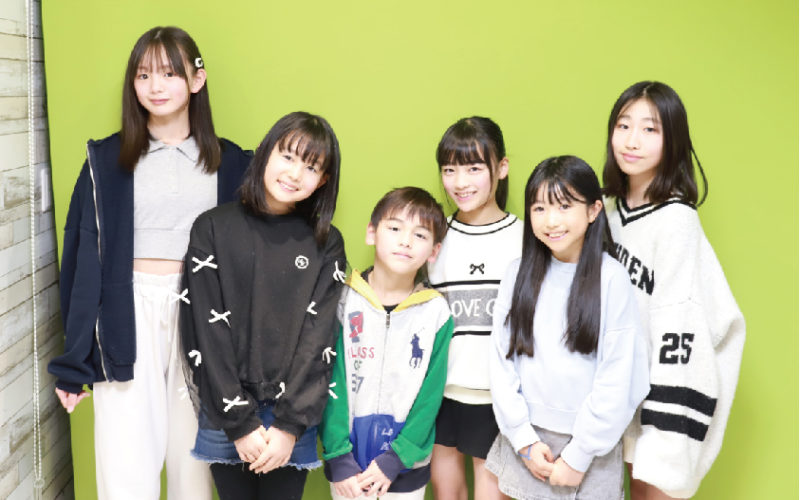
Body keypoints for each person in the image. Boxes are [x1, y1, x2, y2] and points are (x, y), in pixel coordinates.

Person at [47, 26, 251, 500]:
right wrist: (74, 362)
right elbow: (81, 261)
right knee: (125, 469)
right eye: (143, 75)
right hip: (127, 315)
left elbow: (255, 260)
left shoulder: (234, 164)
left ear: (197, 79)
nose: (155, 86)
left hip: (203, 317)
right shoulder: (105, 160)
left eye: (168, 74)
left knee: (194, 467)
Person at [180, 111, 346, 500]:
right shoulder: (211, 228)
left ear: (323, 180)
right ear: (264, 152)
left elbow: (319, 339)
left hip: (293, 414)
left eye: (311, 167)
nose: (295, 173)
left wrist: (288, 427)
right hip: (226, 407)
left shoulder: (326, 243)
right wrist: (239, 422)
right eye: (287, 156)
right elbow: (204, 329)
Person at [602, 81, 746, 499]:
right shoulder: (605, 210)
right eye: (623, 125)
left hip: (660, 395)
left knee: (656, 488)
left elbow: (681, 323)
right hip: (618, 392)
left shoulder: (677, 219)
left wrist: (666, 430)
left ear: (673, 141)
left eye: (650, 129)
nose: (632, 140)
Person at [486, 156, 650, 500]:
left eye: (564, 206)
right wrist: (524, 440)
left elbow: (621, 377)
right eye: (539, 208)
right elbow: (501, 364)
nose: (551, 220)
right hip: (527, 443)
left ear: (593, 211)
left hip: (591, 448)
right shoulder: (517, 274)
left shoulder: (611, 278)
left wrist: (579, 455)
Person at [320, 187, 454, 499]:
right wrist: (338, 455)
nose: (405, 241)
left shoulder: (436, 312)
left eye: (420, 235)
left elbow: (430, 395)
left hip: (406, 468)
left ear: (433, 251)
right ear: (372, 233)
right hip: (347, 468)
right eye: (394, 228)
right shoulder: (342, 300)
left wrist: (398, 457)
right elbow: (330, 380)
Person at [427, 116, 522, 500]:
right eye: (449, 170)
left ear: (501, 167)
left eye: (473, 168)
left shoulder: (526, 238)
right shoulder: (433, 237)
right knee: (445, 491)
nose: (460, 182)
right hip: (440, 393)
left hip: (499, 396)